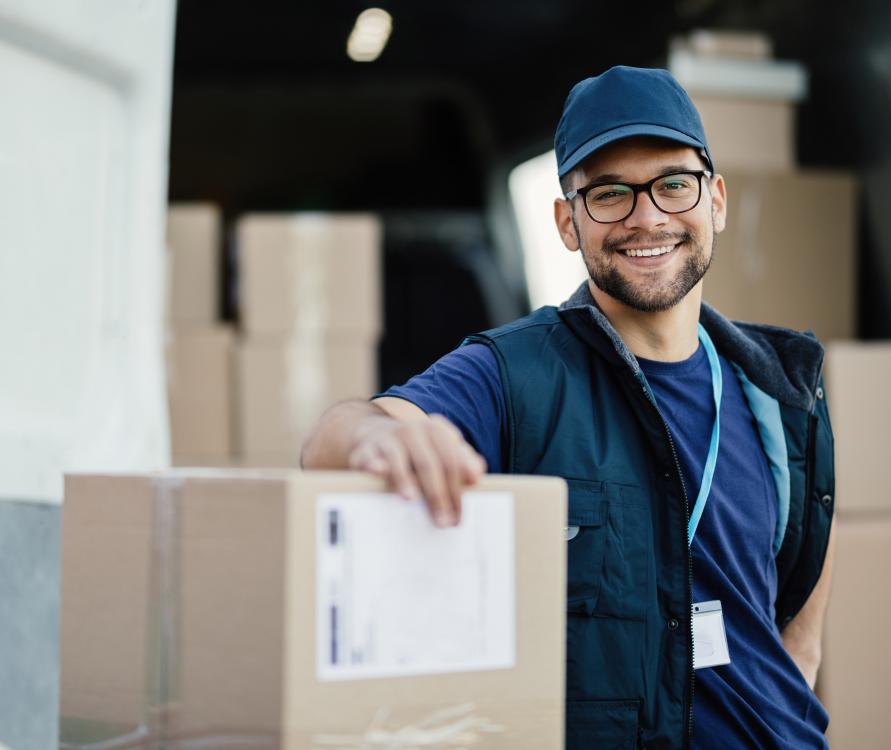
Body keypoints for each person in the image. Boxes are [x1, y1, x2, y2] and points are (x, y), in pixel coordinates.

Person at [301, 65, 836, 749]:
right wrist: (373, 441)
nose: (649, 217)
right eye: (611, 194)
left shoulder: (784, 391)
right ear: (566, 222)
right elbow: (333, 438)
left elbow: (799, 635)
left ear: (716, 201)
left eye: (674, 184)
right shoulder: (513, 374)